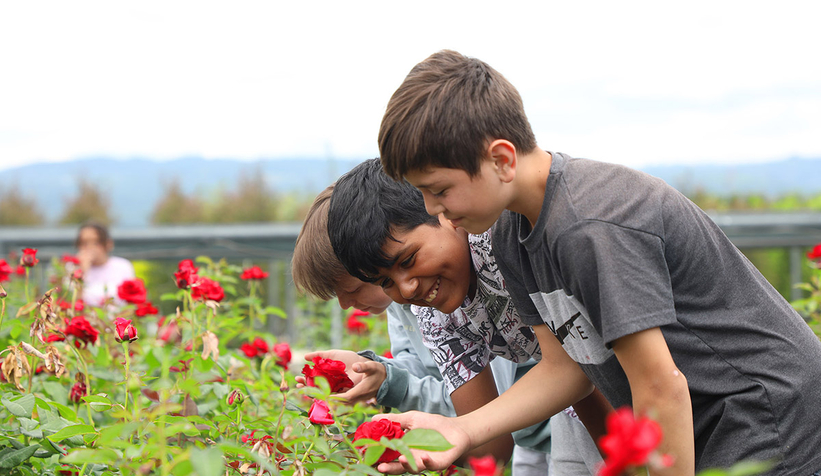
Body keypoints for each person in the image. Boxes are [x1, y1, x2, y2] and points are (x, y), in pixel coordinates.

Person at [363, 49, 821, 475]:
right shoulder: (509, 232)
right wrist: (463, 429)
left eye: (439, 189)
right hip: (709, 419)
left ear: (501, 160)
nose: (431, 208)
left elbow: (660, 384)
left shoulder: (588, 225)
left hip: (764, 415)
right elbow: (566, 370)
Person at [292, 185, 601, 475]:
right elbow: (488, 443)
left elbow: (567, 370)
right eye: (384, 280)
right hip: (558, 421)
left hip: (568, 406)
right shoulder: (427, 307)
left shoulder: (495, 248)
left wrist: (397, 386)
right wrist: (393, 412)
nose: (346, 305)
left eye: (356, 287)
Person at [76, 221, 135, 307]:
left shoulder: (123, 266)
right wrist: (81, 272)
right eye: (84, 243)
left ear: (108, 244)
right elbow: (72, 305)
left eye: (96, 242)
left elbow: (131, 301)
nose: (90, 247)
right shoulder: (70, 269)